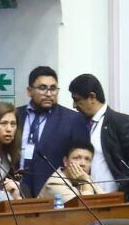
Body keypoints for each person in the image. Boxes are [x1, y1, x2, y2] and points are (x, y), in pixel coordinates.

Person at [67, 73, 129, 198]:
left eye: (77, 100)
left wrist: (122, 186)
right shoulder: (79, 124)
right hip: (90, 198)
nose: (74, 105)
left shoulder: (120, 121)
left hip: (120, 200)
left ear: (92, 97)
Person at [18, 66, 92, 198]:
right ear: (29, 91)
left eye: (53, 88)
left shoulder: (73, 120)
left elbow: (82, 159)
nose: (49, 93)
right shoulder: (15, 115)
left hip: (53, 193)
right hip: (15, 191)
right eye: (42, 88)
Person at [35, 141, 100, 203]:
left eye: (87, 159)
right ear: (65, 161)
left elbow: (106, 199)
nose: (83, 164)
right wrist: (86, 182)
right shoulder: (55, 183)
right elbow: (84, 209)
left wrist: (86, 181)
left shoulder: (86, 177)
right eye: (77, 158)